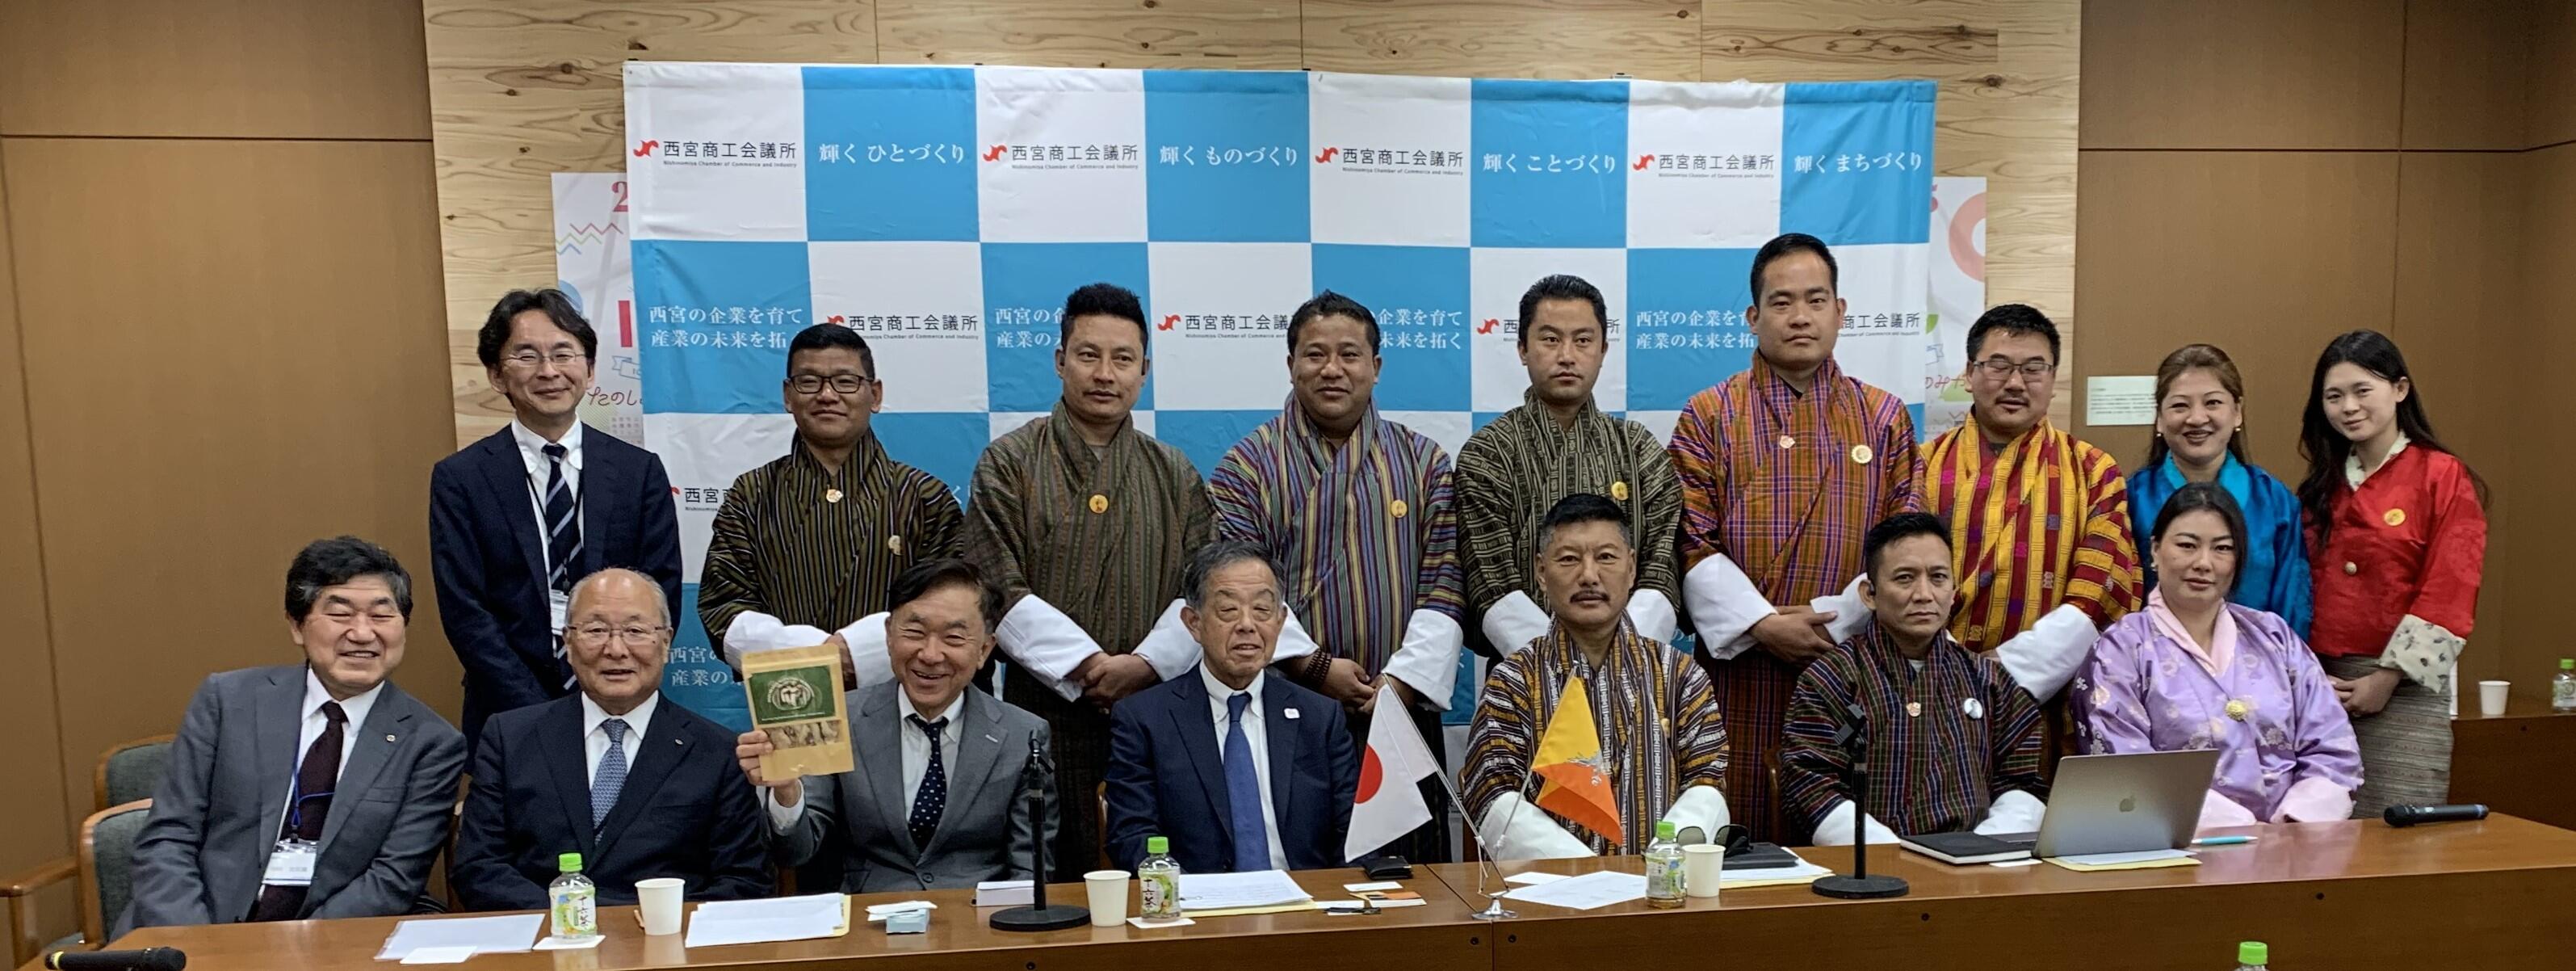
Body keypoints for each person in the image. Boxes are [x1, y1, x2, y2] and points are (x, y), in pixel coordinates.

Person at [965, 282, 1312, 880]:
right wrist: (1089, 667)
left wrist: (1144, 666)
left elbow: (1205, 591)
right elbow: (996, 586)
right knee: (1056, 874)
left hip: (1160, 709)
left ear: (1144, 370)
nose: (1105, 373)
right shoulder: (1010, 462)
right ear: (1060, 361)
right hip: (1044, 709)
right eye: (1088, 355)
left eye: (1122, 358)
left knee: (1159, 866)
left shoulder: (1173, 472)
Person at [1668, 233, 1922, 839]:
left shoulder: (1885, 417)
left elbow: (1906, 542)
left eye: (1816, 300)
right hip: (1739, 671)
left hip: (1851, 661)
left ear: (1841, 310)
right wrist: (1762, 624)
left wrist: (1835, 619)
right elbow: (1691, 540)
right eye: (1781, 302)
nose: (1800, 316)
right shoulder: (1709, 414)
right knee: (1736, 836)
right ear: (1753, 317)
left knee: (1854, 837)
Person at [1205, 291, 1462, 862]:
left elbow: (1445, 583)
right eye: (1315, 354)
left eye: (1349, 354)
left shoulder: (1424, 463)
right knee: (1305, 860)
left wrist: (1401, 681)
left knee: (1410, 874)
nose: (1332, 369)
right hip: (1286, 701)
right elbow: (1239, 592)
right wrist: (1316, 668)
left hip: (1399, 707)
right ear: (1291, 363)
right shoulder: (1247, 467)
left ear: (1376, 365)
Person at [122, 538, 467, 936]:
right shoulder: (228, 701)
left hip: (328, 945)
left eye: (381, 615)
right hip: (192, 934)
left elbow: (393, 879)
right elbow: (169, 836)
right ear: (297, 625)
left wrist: (293, 950)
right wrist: (199, 944)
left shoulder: (432, 743)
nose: (362, 633)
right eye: (340, 614)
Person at [431, 288, 683, 750]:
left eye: (563, 354)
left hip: (622, 708)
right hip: (507, 715)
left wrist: (609, 690)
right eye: (527, 356)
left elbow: (660, 593)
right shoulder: (462, 479)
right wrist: (537, 712)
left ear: (589, 370)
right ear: (496, 375)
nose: (548, 371)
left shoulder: (639, 472)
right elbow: (465, 611)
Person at [450, 570, 771, 910]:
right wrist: (574, 919)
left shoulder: (718, 751)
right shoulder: (510, 738)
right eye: (596, 630)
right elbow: (478, 867)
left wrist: (648, 924)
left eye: (635, 631)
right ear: (568, 643)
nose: (616, 650)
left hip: (666, 937)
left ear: (666, 642)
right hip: (542, 932)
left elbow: (744, 880)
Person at [736, 559, 1055, 891]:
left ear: (984, 650)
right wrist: (786, 792)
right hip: (867, 912)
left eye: (954, 638)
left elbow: (1031, 870)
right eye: (915, 633)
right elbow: (795, 852)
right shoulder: (838, 718)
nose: (930, 655)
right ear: (889, 635)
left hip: (975, 913)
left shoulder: (1023, 734)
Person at [2075, 483, 2364, 828]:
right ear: (2155, 549)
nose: (2203, 563)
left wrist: (2294, 823)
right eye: (2187, 545)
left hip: (2294, 840)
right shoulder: (2119, 651)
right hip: (2180, 845)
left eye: (2222, 548)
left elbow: (2332, 746)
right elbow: (2126, 766)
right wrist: (2240, 829)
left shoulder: (2275, 637)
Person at [1462, 494, 1729, 857]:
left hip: (1659, 884)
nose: (1589, 576)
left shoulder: (1680, 675)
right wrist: (1585, 875)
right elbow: (1493, 795)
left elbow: (1708, 781)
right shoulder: (1513, 682)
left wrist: (1656, 869)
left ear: (1631, 569)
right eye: (1569, 559)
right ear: (1541, 572)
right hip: (1551, 888)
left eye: (1606, 557)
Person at [700, 323, 967, 678]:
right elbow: (723, 605)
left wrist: (858, 654)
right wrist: (819, 656)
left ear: (875, 395)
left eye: (845, 381)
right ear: (788, 395)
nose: (827, 395)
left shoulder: (924, 496)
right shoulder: (751, 494)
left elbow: (951, 606)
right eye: (809, 382)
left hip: (903, 694)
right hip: (790, 693)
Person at [2296, 330, 2486, 814]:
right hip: (2322, 686)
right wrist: (2308, 675)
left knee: (2399, 828)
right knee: (2320, 831)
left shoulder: (2441, 475)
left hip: (2406, 687)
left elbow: (2451, 585)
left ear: (2400, 389)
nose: (2349, 407)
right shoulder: (2321, 486)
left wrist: (2387, 677)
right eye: (2334, 396)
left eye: (2363, 390)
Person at [1779, 513, 2047, 845]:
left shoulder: (1989, 680)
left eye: (1938, 578)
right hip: (1872, 863)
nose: (1924, 594)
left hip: (1977, 861)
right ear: (1869, 594)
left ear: (1953, 590)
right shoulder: (1832, 677)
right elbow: (1809, 783)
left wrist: (1982, 849)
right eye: (1905, 578)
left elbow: (2022, 780)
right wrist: (1888, 852)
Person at [1922, 304, 2142, 700]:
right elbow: (1895, 576)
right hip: (1931, 682)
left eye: (2033, 369)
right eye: (1999, 365)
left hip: (2046, 696)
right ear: (1969, 374)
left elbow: (2101, 586)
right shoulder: (1921, 465)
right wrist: (1950, 667)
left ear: (2053, 379)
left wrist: (2012, 669)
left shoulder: (2094, 471)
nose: (2015, 383)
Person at [1457, 274, 1683, 656]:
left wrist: (1620, 661)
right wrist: (1554, 667)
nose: (1566, 355)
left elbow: (1662, 567)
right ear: (1522, 349)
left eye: (1583, 340)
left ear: (1603, 349)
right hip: (1523, 671)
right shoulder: (1488, 453)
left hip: (1634, 669)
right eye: (1550, 339)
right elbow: (1491, 581)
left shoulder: (1639, 448)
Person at [1104, 541, 1359, 872]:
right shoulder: (1144, 719)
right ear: (1193, 623)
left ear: (1280, 621)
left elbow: (1354, 837)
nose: (1247, 625)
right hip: (1196, 899)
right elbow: (1132, 837)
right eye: (1228, 610)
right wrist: (1189, 894)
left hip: (1305, 896)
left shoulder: (1320, 717)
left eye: (1262, 610)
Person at [2128, 344, 2311, 636]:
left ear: (2237, 412)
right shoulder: (2131, 499)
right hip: (2152, 659)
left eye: (2212, 403)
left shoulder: (2275, 502)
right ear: (2159, 418)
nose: (2197, 418)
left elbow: (2292, 604)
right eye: (2180, 406)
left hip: (2261, 660)